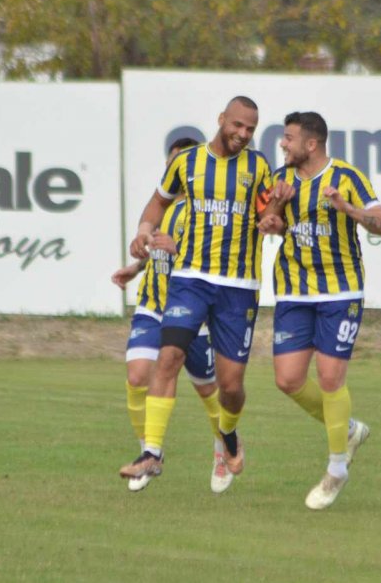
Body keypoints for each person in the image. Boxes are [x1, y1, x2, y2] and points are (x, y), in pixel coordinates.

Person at [118, 96, 274, 488]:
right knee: (168, 356)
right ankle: (152, 452)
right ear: (221, 119)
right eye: (237, 125)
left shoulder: (259, 167)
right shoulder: (186, 163)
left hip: (238, 287)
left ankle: (229, 435)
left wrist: (274, 219)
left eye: (250, 129)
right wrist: (143, 232)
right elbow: (157, 203)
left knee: (230, 388)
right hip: (190, 280)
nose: (243, 134)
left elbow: (272, 216)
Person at [257, 111, 381, 510]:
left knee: (330, 377)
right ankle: (348, 430)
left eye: (289, 138)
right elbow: (270, 222)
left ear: (311, 144)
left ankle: (336, 469)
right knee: (287, 380)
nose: (283, 144)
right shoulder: (281, 179)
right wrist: (274, 213)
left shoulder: (347, 177)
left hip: (340, 291)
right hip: (294, 291)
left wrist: (347, 208)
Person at [110, 137, 232, 493]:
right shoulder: (159, 208)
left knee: (208, 391)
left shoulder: (206, 211)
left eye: (182, 165)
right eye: (171, 164)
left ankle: (223, 450)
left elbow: (214, 262)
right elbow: (154, 251)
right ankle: (149, 452)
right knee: (137, 377)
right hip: (153, 306)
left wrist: (178, 250)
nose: (175, 171)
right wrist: (137, 267)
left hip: (192, 314)